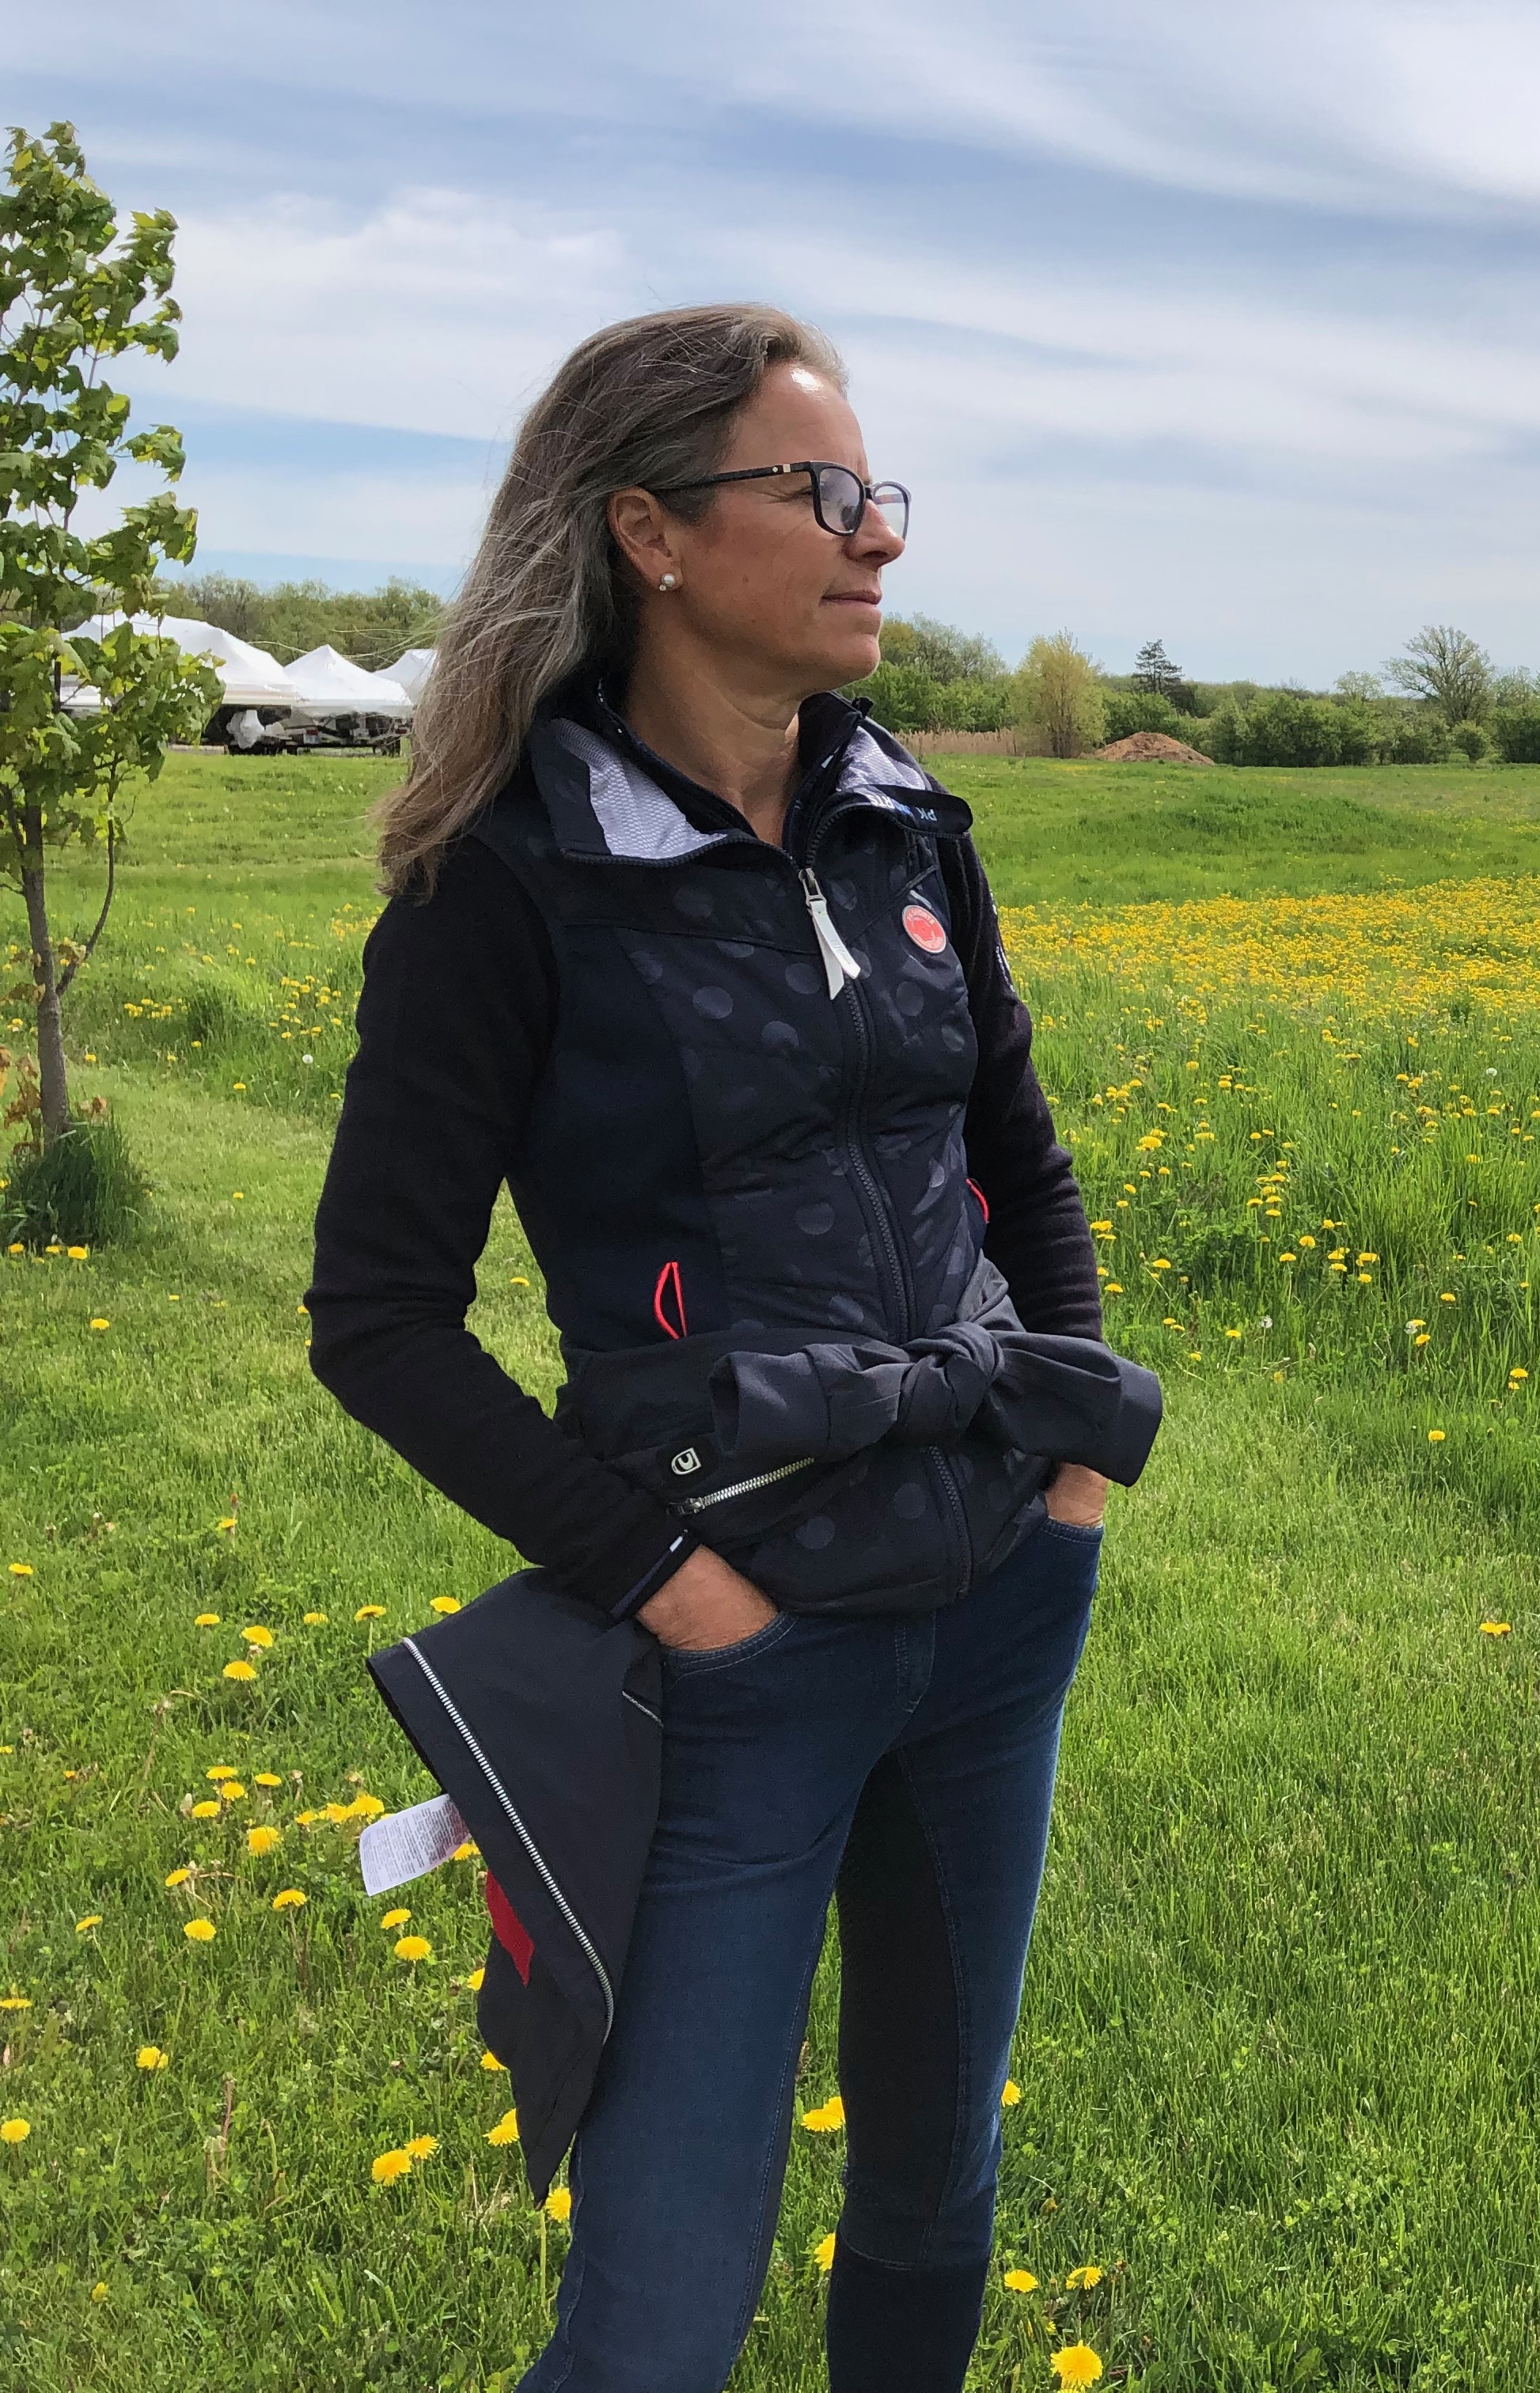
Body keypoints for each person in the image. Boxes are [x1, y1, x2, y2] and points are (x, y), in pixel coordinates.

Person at [306, 304, 1151, 2392]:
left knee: (938, 2180)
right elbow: (379, 1317)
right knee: (665, 2302)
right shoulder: (510, 880)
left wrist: (1071, 1467)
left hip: (996, 1608)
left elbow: (1017, 1163)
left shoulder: (912, 821)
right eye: (826, 494)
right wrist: (677, 1595)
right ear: (653, 535)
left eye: (881, 495)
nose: (878, 538)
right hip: (738, 1663)